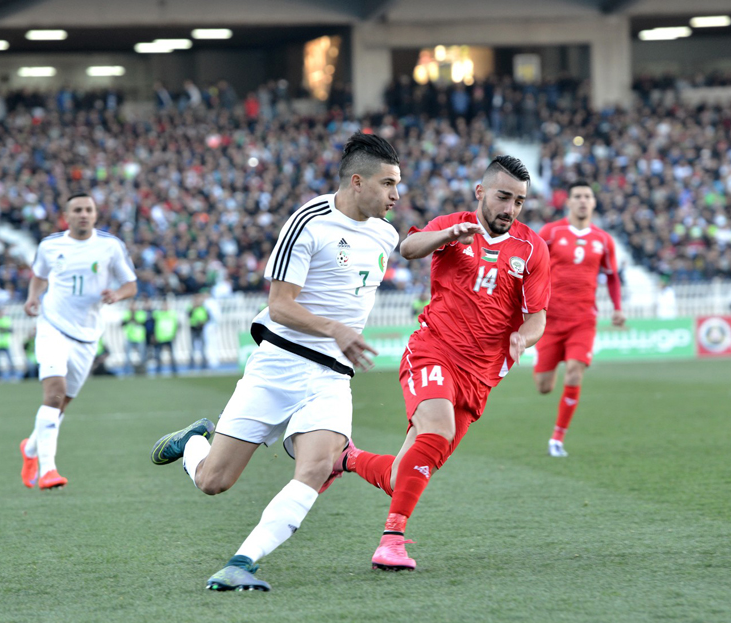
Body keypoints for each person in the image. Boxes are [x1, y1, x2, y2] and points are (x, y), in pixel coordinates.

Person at [149, 132, 401, 591]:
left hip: (331, 376)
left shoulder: (386, 233)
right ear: (357, 181)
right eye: (388, 184)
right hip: (278, 365)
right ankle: (192, 445)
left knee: (316, 466)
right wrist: (336, 330)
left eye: (397, 184)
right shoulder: (308, 221)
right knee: (213, 481)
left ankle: (242, 563)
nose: (396, 196)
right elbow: (280, 305)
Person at [340, 155, 550, 571]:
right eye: (503, 197)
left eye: (519, 202)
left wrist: (522, 338)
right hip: (433, 350)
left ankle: (344, 458)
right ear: (481, 192)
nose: (510, 209)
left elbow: (538, 318)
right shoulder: (452, 226)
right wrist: (450, 234)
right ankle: (392, 540)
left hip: (481, 376)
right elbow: (408, 247)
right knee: (437, 430)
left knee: (406, 474)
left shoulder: (532, 248)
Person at [20, 193, 137, 490]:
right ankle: (48, 471)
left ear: (96, 215)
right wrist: (33, 297)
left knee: (62, 403)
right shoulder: (50, 246)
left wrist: (116, 295)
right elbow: (38, 276)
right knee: (55, 393)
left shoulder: (110, 246)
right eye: (77, 210)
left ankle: (30, 449)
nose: (83, 214)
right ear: (67, 216)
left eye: (89, 209)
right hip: (52, 326)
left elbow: (130, 284)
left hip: (87, 335)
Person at [532, 181, 624, 458]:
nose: (583, 201)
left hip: (583, 318)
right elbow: (531, 265)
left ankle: (557, 439)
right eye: (577, 196)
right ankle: (555, 360)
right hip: (550, 319)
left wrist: (617, 308)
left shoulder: (604, 239)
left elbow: (612, 276)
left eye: (587, 196)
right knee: (544, 387)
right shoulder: (551, 232)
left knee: (574, 371)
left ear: (594, 203)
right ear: (568, 202)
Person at [153, 299, 179, 374]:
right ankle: (158, 371)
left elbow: (176, 325)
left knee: (172, 355)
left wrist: (174, 334)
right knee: (158, 356)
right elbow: (155, 325)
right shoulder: (158, 314)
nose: (165, 307)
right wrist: (155, 335)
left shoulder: (172, 314)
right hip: (160, 337)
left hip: (169, 337)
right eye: (164, 305)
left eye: (166, 305)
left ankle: (174, 371)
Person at [121, 299, 148, 374]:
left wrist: (132, 316)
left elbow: (141, 322)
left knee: (142, 357)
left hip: (139, 338)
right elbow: (123, 323)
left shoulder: (140, 313)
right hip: (129, 337)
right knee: (127, 358)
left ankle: (143, 372)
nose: (132, 307)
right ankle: (127, 373)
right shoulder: (126, 313)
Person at [187, 293, 210, 370]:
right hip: (193, 329)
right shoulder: (191, 308)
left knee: (202, 348)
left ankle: (203, 365)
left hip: (201, 329)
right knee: (192, 348)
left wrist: (203, 322)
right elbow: (188, 315)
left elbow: (207, 317)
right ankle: (192, 365)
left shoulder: (203, 308)